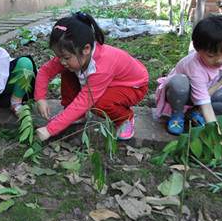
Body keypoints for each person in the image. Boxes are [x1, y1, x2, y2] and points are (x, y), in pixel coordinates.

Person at [34, 12, 149, 141]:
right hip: (108, 82)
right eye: (58, 56)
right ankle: (77, 116)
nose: (61, 61)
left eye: (65, 57)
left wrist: (50, 130)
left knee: (99, 104)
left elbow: (85, 101)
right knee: (67, 70)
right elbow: (45, 71)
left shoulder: (101, 66)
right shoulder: (74, 55)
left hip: (132, 87)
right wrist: (40, 99)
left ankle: (124, 118)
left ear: (86, 49)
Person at [155, 15, 222, 134]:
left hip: (207, 91)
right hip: (181, 94)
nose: (219, 60)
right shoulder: (195, 67)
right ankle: (177, 115)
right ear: (197, 49)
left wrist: (205, 98)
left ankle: (195, 113)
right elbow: (204, 103)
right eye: (211, 56)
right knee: (179, 82)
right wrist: (217, 135)